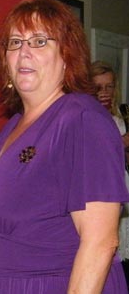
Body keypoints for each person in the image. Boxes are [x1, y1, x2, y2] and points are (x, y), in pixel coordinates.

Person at [0, 0, 129, 293]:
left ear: (66, 54)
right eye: (15, 43)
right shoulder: (15, 125)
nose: (24, 52)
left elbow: (101, 242)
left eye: (38, 41)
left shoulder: (81, 119)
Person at [92, 60, 129, 288]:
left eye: (109, 86)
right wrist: (120, 144)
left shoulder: (120, 119)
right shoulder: (85, 119)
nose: (105, 93)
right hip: (102, 206)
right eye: (98, 88)